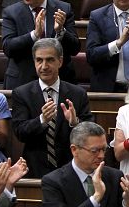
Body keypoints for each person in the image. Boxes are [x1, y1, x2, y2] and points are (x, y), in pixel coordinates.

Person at [11, 38, 92, 178]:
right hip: (35, 170)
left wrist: (75, 123)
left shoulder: (77, 94)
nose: (44, 66)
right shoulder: (21, 93)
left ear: (60, 61)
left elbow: (90, 134)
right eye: (39, 60)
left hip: (70, 170)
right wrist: (42, 120)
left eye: (49, 60)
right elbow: (20, 132)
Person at [1, 0, 79, 88]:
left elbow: (75, 48)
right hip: (22, 82)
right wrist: (34, 35)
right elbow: (8, 48)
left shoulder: (63, 9)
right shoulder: (11, 12)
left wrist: (60, 31)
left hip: (59, 82)